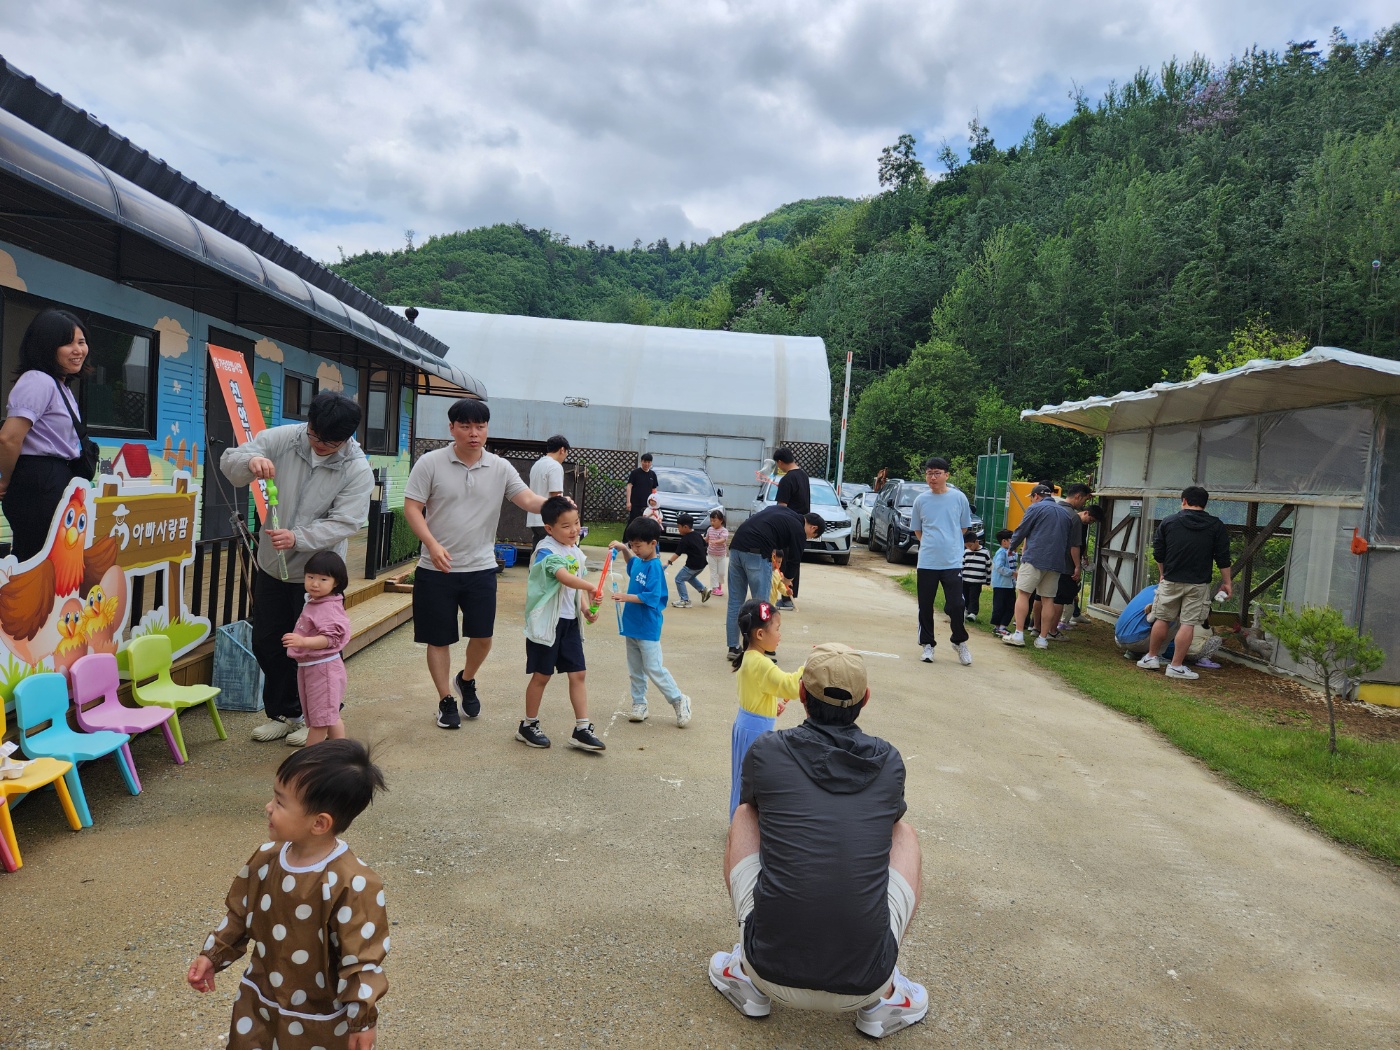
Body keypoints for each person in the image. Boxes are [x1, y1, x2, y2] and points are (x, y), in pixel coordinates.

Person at [707, 643, 927, 1039]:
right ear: (865, 699)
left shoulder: (766, 750)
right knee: (904, 834)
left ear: (801, 694)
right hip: (867, 982)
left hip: (766, 968)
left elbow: (756, 809)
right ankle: (885, 998)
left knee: (744, 815)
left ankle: (746, 975)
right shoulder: (890, 761)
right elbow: (887, 825)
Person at [187, 740, 389, 1050]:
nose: (268, 806)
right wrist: (213, 955)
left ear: (319, 823)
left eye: (280, 802)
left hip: (318, 1014)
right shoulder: (267, 858)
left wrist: (362, 1018)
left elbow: (361, 960)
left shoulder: (352, 883)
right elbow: (240, 914)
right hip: (260, 999)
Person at [221, 392, 374, 748]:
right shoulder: (285, 438)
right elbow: (231, 461)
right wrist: (251, 461)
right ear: (309, 424)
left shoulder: (356, 468)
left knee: (319, 651)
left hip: (319, 574)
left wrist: (298, 537)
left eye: (330, 442)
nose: (319, 445)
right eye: (315, 435)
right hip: (272, 565)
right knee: (268, 643)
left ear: (347, 437)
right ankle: (286, 715)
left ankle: (319, 717)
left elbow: (347, 521)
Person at [403, 398, 548, 731]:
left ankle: (466, 679)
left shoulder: (500, 467)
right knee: (438, 639)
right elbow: (412, 507)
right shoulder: (430, 463)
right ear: (452, 428)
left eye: (480, 426)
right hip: (436, 569)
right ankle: (445, 699)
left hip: (481, 567)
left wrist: (555, 506)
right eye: (466, 426)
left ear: (486, 429)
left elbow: (527, 499)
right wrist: (432, 544)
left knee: (482, 636)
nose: (473, 433)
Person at [0, 309, 92, 562]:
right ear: (46, 346)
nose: (78, 350)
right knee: (35, 560)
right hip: (38, 480)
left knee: (53, 559)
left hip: (54, 477)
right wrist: (3, 481)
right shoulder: (37, 380)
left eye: (81, 342)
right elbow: (9, 438)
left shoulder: (59, 384)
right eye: (68, 343)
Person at [518, 496, 605, 751]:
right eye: (566, 526)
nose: (574, 530)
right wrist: (590, 586)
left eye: (576, 523)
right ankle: (528, 725)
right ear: (549, 528)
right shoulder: (545, 551)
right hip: (547, 625)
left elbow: (574, 589)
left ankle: (582, 728)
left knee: (578, 673)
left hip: (569, 623)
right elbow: (564, 577)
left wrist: (586, 609)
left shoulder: (574, 550)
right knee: (542, 675)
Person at [1137, 486, 1232, 681]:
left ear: (1184, 501)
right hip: (1198, 583)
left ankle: (1151, 657)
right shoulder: (1216, 525)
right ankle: (1176, 666)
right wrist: (1227, 582)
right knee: (1188, 624)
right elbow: (1223, 557)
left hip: (1171, 580)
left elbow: (1158, 552)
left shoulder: (1169, 521)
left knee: (1162, 618)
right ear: (1205, 504)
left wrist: (1163, 574)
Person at [611, 517, 691, 727]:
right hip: (631, 625)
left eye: (638, 545)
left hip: (647, 626)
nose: (635, 549)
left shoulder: (655, 567)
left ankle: (678, 699)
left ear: (653, 543)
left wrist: (625, 597)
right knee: (635, 669)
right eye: (632, 545)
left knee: (653, 668)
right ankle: (639, 704)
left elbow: (652, 596)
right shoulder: (640, 561)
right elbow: (631, 565)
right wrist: (623, 549)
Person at [727, 599, 801, 817]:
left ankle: (737, 820)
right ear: (760, 634)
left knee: (742, 777)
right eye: (777, 629)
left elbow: (753, 692)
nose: (780, 635)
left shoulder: (749, 657)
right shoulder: (763, 664)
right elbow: (791, 686)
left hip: (746, 724)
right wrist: (809, 667)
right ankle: (747, 824)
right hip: (756, 732)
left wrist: (769, 705)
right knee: (755, 781)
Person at [725, 505, 822, 659]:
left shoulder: (783, 512)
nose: (808, 538)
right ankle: (759, 649)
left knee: (735, 601)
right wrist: (787, 579)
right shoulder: (799, 529)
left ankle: (733, 647)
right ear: (813, 527)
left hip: (736, 548)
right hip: (756, 553)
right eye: (812, 536)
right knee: (762, 606)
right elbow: (795, 559)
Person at [282, 551, 352, 747]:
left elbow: (331, 639)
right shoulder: (316, 601)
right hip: (313, 667)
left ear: (336, 582)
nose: (314, 583)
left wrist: (303, 641)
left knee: (321, 721)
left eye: (323, 579)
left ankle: (309, 760)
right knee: (328, 716)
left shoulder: (328, 607)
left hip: (324, 669)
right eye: (310, 577)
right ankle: (341, 754)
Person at [909, 457, 973, 666]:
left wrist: (950, 542)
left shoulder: (958, 497)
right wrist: (931, 543)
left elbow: (963, 527)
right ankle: (927, 644)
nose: (933, 477)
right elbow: (917, 529)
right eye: (929, 473)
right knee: (925, 605)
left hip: (952, 561)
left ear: (946, 475)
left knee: (957, 604)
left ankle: (959, 641)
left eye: (937, 473)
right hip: (927, 561)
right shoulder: (921, 500)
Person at [1001, 484, 1077, 651]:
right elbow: (1068, 541)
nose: (1031, 500)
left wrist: (1012, 547)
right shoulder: (1065, 514)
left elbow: (1022, 529)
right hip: (1056, 562)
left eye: (1031, 497)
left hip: (1035, 558)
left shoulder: (1035, 508)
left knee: (1023, 594)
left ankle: (1018, 634)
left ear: (1036, 496)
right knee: (1048, 599)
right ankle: (1043, 639)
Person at [1049, 502, 1104, 638]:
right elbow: (1074, 546)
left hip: (1063, 563)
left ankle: (1045, 627)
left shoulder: (1079, 523)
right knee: (1060, 598)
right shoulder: (1075, 520)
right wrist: (1077, 566)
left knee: (1059, 596)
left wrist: (1083, 556)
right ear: (1086, 512)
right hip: (1067, 565)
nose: (1090, 523)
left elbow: (1081, 544)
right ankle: (1052, 630)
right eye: (1091, 520)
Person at [771, 448, 810, 609]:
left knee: (784, 559)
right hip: (801, 522)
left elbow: (781, 507)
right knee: (794, 559)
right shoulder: (803, 476)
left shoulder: (787, 479)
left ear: (780, 462)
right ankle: (790, 597)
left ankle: (786, 598)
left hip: (787, 525)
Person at [525, 435, 570, 547]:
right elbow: (556, 496)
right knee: (550, 552)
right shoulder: (555, 466)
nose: (566, 456)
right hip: (548, 519)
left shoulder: (537, 464)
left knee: (537, 552)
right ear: (562, 450)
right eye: (566, 452)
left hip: (534, 517)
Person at [666, 513, 711, 607]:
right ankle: (703, 590)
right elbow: (704, 544)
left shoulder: (685, 539)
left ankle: (684, 600)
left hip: (692, 565)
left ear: (685, 527)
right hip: (702, 564)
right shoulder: (697, 535)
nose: (678, 529)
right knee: (689, 577)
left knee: (679, 579)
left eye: (679, 527)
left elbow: (677, 554)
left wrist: (668, 562)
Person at [989, 529, 1018, 636]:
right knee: (999, 606)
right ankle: (997, 627)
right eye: (1012, 540)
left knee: (1010, 606)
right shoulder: (1001, 553)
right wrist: (1012, 573)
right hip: (1000, 585)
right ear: (1004, 541)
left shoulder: (1012, 553)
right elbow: (999, 567)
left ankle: (1003, 626)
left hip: (1010, 585)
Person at [961, 530, 992, 623]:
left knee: (974, 597)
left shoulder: (985, 552)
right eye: (967, 546)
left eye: (970, 546)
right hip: (965, 579)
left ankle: (973, 613)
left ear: (976, 542)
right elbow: (962, 565)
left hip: (977, 581)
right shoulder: (966, 552)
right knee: (965, 595)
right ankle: (965, 610)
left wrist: (988, 580)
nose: (969, 548)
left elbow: (988, 567)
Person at [624, 453, 658, 523]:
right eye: (645, 462)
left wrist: (654, 504)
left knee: (646, 523)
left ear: (651, 463)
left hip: (647, 505)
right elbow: (629, 486)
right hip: (635, 504)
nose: (646, 464)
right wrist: (628, 502)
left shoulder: (652, 474)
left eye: (648, 462)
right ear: (641, 461)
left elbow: (654, 489)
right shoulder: (635, 473)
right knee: (633, 522)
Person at [705, 509, 730, 597]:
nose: (712, 522)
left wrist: (715, 542)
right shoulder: (709, 529)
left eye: (714, 520)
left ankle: (718, 585)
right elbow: (707, 539)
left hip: (721, 555)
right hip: (711, 554)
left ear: (721, 520)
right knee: (713, 572)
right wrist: (700, 538)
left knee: (721, 573)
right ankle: (714, 588)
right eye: (711, 520)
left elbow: (723, 539)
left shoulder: (724, 531)